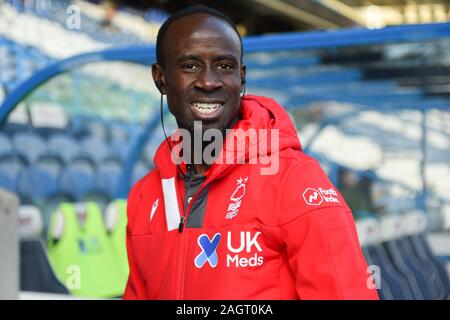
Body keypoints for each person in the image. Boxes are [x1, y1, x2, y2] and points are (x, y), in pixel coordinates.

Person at [123, 5, 379, 300]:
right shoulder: (144, 197)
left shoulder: (295, 179)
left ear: (241, 77)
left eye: (224, 66)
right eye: (190, 65)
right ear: (161, 78)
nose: (209, 81)